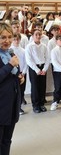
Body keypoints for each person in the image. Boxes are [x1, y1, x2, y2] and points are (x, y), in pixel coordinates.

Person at [0, 22, 23, 155]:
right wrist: (9, 65)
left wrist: (19, 78)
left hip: (12, 104)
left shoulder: (10, 53)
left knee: (7, 140)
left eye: (10, 37)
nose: (7, 41)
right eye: (3, 37)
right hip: (1, 105)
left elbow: (13, 73)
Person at [25, 29, 50, 113]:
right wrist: (36, 69)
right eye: (36, 35)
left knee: (42, 86)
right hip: (34, 68)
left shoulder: (44, 46)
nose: (38, 36)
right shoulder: (29, 46)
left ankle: (41, 104)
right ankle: (35, 105)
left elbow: (47, 58)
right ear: (32, 36)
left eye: (39, 35)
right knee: (35, 87)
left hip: (42, 67)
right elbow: (29, 60)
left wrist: (44, 69)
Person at [10, 33, 28, 115]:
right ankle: (14, 107)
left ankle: (19, 107)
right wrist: (16, 73)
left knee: (21, 91)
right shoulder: (10, 50)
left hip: (22, 73)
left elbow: (26, 62)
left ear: (20, 40)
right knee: (14, 91)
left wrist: (23, 72)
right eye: (14, 39)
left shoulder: (23, 51)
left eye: (18, 39)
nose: (16, 41)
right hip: (14, 73)